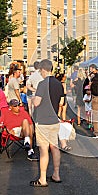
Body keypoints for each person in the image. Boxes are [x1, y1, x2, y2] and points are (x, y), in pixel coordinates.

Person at [31, 59, 64, 187]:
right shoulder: (58, 84)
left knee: (44, 150)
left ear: (43, 69)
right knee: (55, 148)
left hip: (43, 121)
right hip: (54, 120)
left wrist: (33, 98)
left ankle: (42, 179)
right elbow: (61, 103)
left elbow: (37, 103)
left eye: (41, 71)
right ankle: (56, 174)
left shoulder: (42, 84)